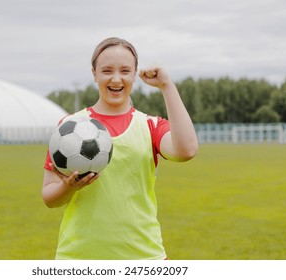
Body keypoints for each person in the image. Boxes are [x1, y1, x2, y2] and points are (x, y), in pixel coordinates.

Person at [42, 37, 198, 260]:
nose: (116, 79)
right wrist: (69, 188)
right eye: (107, 70)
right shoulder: (69, 127)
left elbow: (187, 150)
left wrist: (167, 86)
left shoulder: (149, 125)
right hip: (79, 258)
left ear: (135, 74)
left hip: (143, 257)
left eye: (125, 70)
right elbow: (49, 197)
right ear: (94, 73)